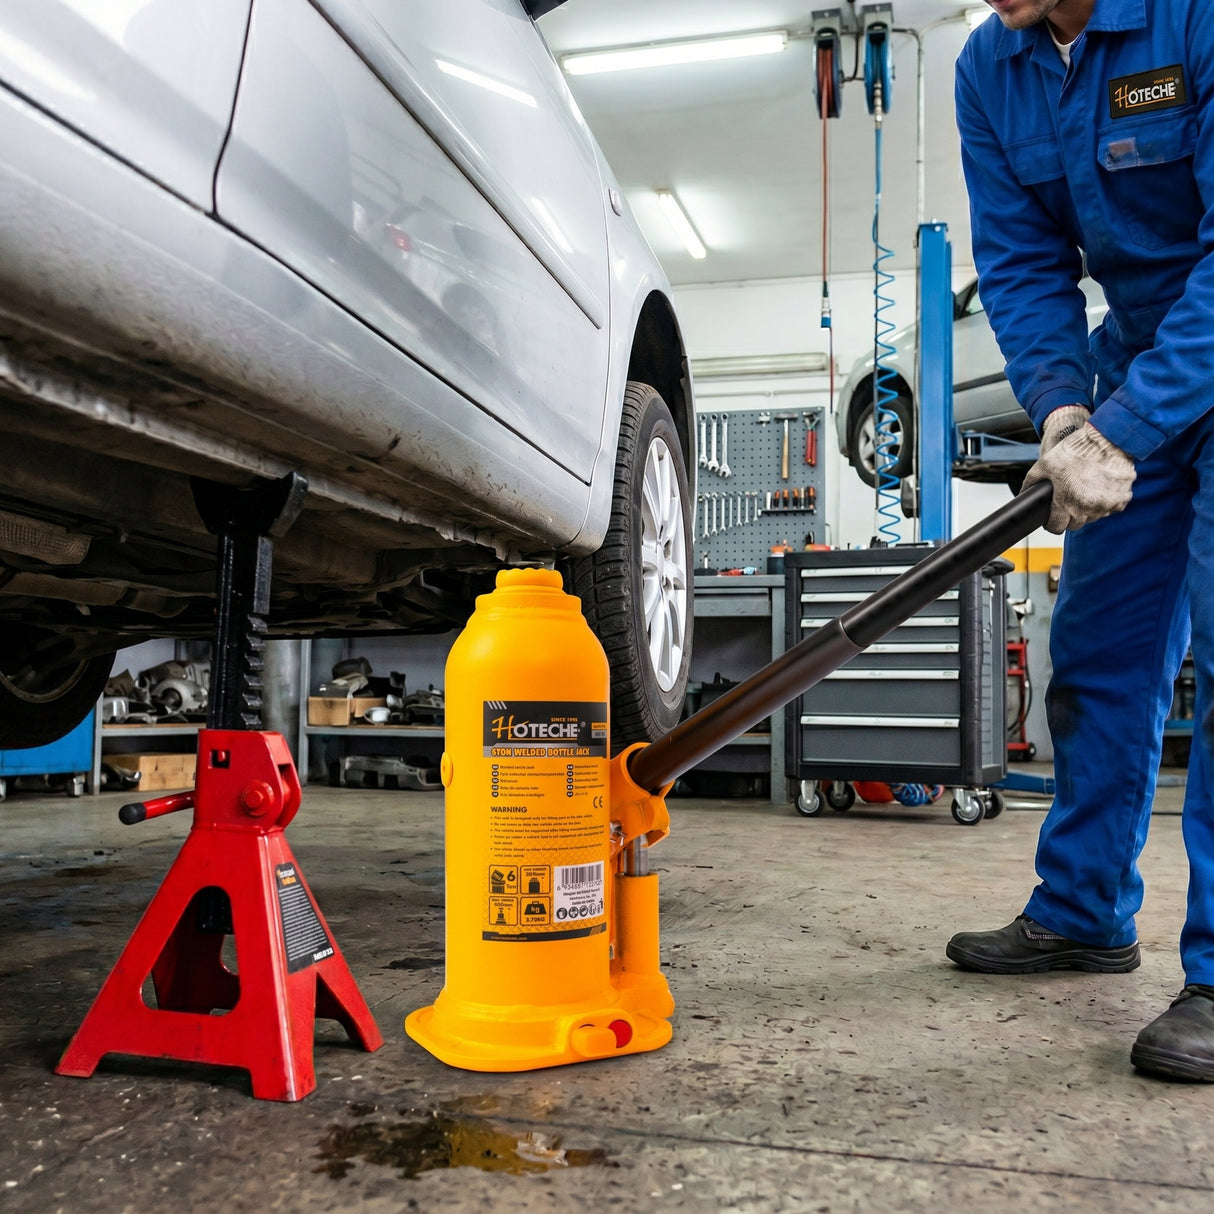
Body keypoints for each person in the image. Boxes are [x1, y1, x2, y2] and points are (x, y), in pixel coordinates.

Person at [949, 0, 1214, 1081]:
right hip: (1129, 372)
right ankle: (1083, 909)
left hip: (1188, 352)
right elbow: (1018, 263)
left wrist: (1129, 421)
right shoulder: (989, 65)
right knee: (1097, 655)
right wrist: (1063, 413)